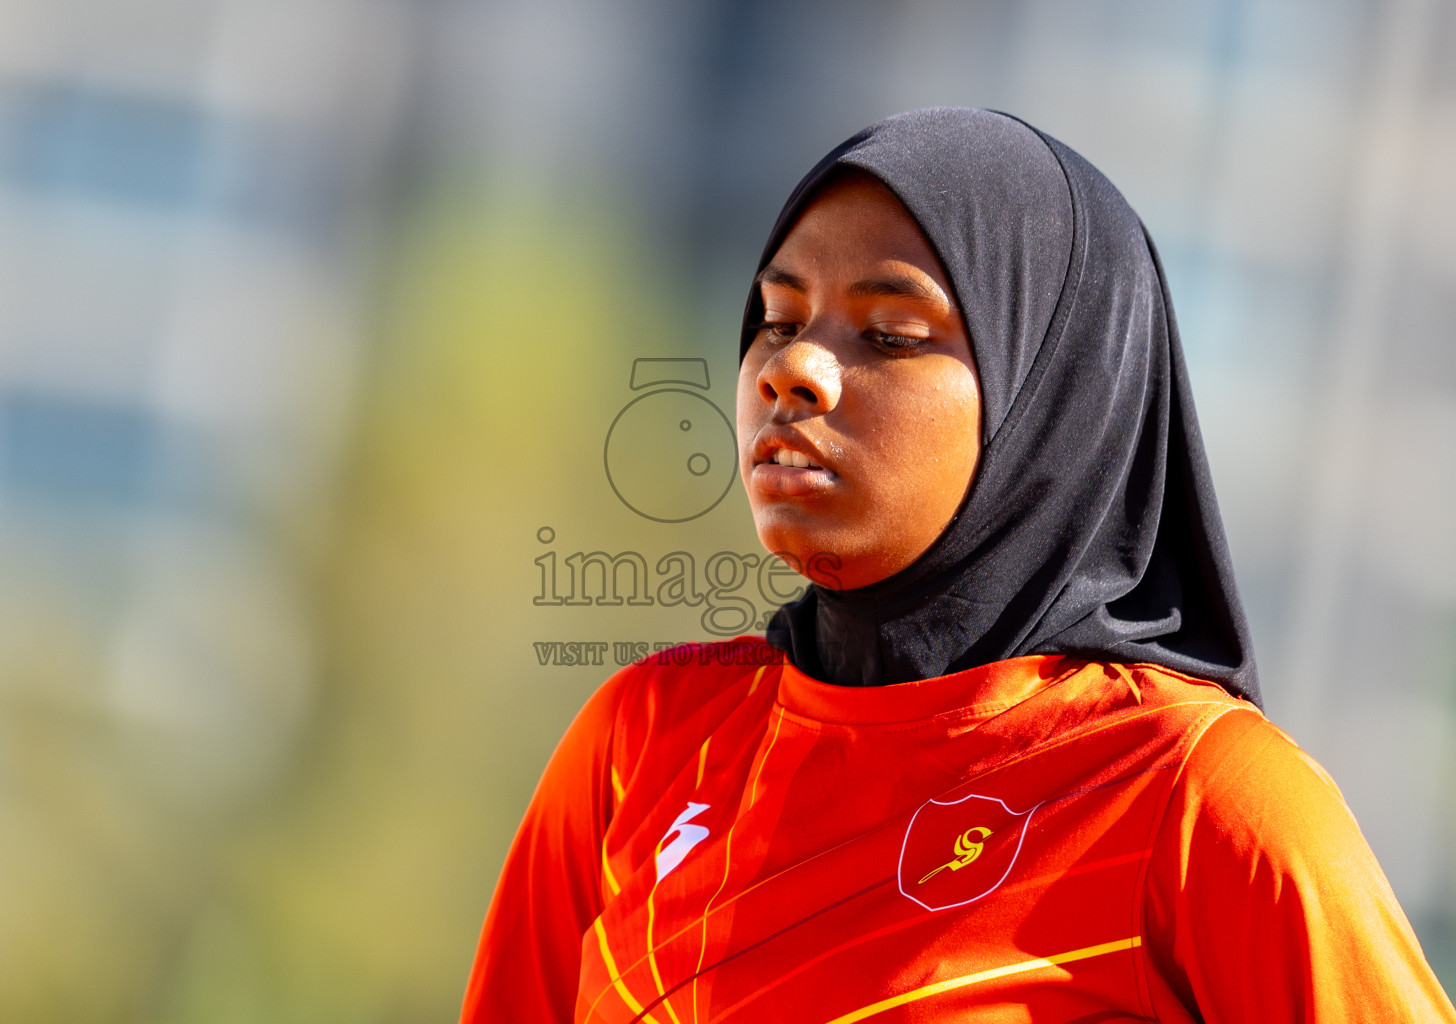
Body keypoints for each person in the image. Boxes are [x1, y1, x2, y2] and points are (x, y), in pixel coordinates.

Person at [459, 108, 1456, 1022]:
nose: (791, 368)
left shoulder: (1202, 801)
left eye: (891, 332)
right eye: (777, 318)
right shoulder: (643, 744)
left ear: (1053, 399)